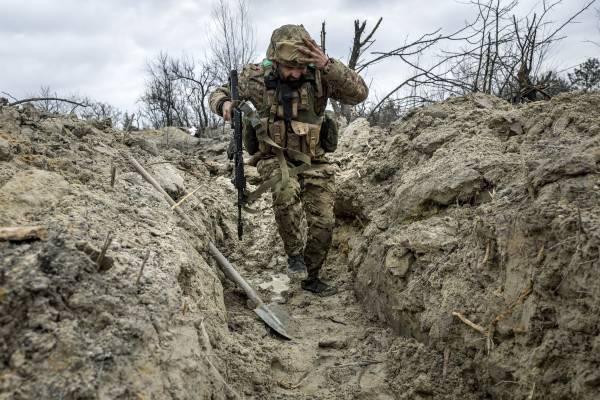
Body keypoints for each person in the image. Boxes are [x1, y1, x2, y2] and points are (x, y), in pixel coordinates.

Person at [209, 24, 368, 296]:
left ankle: (312, 274)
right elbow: (217, 93)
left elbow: (359, 94)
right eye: (290, 67)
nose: (296, 73)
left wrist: (328, 65)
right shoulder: (256, 77)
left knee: (324, 222)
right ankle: (294, 255)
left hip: (314, 160)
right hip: (273, 156)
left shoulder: (320, 74)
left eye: (301, 67)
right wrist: (223, 103)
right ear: (275, 60)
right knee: (285, 190)